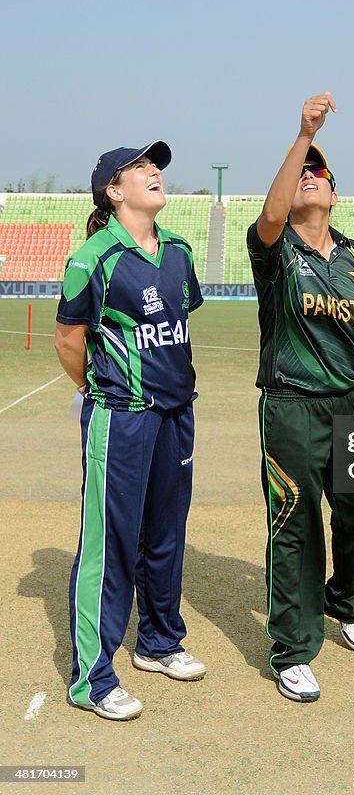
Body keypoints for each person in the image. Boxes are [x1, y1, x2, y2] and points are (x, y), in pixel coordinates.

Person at [247, 92, 354, 703]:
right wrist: (302, 136)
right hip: (292, 405)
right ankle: (293, 648)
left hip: (351, 401)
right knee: (295, 522)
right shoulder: (274, 251)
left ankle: (348, 606)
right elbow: (271, 217)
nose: (310, 179)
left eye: (319, 172)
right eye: (302, 173)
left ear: (335, 192)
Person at [54, 141, 206, 722]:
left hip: (176, 412)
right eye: (140, 168)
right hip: (122, 416)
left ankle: (159, 642)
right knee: (110, 540)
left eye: (157, 166)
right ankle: (91, 678)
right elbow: (70, 343)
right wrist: (102, 392)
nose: (154, 173)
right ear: (113, 192)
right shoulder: (93, 258)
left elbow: (173, 330)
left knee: (167, 531)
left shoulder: (179, 253)